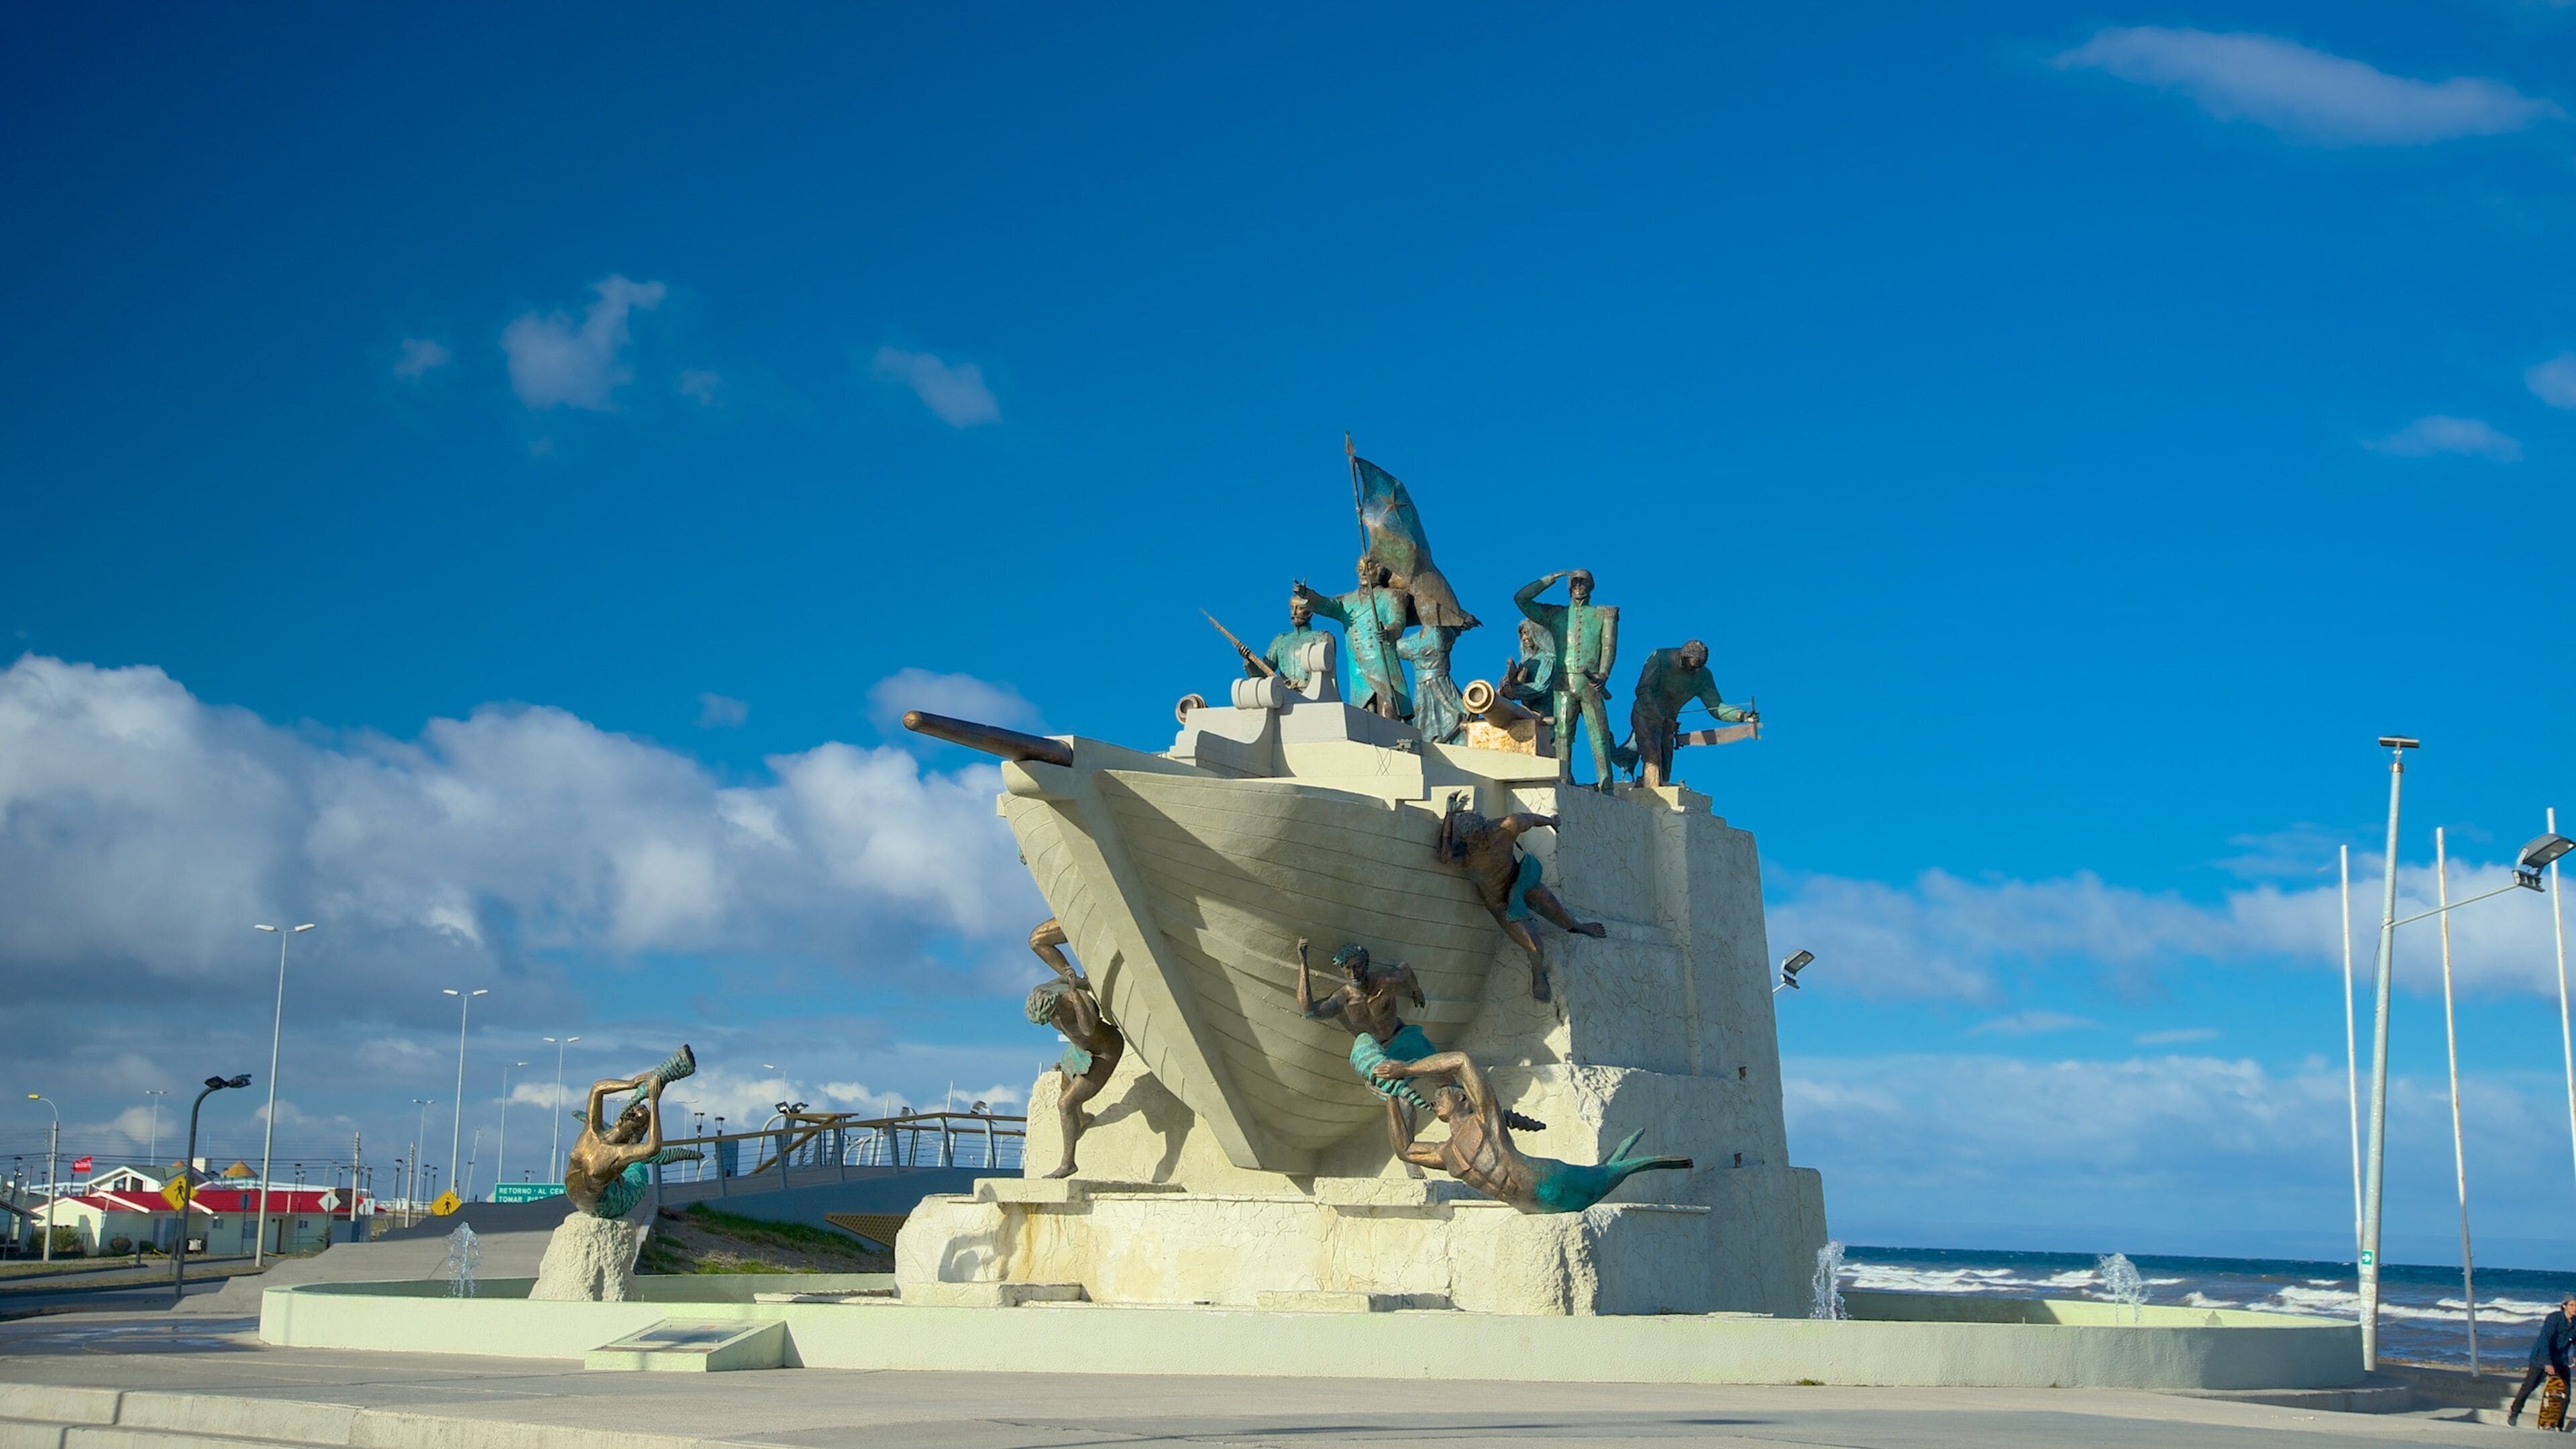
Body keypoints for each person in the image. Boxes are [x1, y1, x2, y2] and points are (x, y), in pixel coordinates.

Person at [1370, 1050, 1690, 1214]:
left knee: (1606, 1176)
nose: (1437, 1096)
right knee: (1607, 1173)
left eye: (1444, 1092)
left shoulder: (1485, 1118)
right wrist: (1389, 1101)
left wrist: (1407, 1069)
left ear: (1463, 1098)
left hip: (1550, 1182)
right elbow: (1405, 1150)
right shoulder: (1446, 1152)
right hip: (1529, 1206)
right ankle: (1620, 1164)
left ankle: (1634, 1164)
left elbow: (1461, 1061)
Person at [1435, 792, 1607, 1000]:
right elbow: (1445, 857)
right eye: (1474, 839)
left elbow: (1528, 819)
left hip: (1522, 881)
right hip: (1502, 904)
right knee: (1535, 948)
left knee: (1563, 916)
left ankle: (1578, 926)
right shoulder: (1468, 858)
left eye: (1481, 833)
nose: (1481, 840)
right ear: (1466, 840)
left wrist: (1551, 821)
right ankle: (1538, 975)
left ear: (1485, 827)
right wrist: (1449, 817)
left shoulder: (1503, 830)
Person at [1026, 917, 1125, 1179]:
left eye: (1051, 1016)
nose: (1051, 1022)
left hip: (1104, 1052)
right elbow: (1079, 984)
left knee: (1065, 1104)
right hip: (1078, 1052)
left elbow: (1089, 1030)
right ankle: (1081, 1120)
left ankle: (1068, 1163)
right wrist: (1072, 976)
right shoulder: (1044, 992)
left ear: (1058, 1004)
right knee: (1065, 1089)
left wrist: (1075, 993)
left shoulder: (1073, 1001)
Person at [1294, 938, 1435, 1114]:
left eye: (1358, 966)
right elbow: (1309, 1010)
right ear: (1342, 970)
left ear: (1366, 964)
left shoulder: (1385, 982)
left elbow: (1405, 971)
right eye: (1347, 967)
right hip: (1378, 1055)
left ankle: (1459, 1096)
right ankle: (1408, 1101)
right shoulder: (1343, 999)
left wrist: (1417, 990)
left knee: (1438, 1067)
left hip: (1402, 1037)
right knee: (1397, 1097)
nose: (1353, 973)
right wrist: (1303, 964)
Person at [563, 1044, 698, 1219]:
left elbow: (653, 1147)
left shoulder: (619, 1153)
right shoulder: (592, 1130)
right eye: (634, 1110)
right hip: (577, 1195)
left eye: (637, 1118)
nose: (631, 1113)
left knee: (638, 1166)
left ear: (635, 1134)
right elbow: (597, 1088)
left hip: (607, 1203)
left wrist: (654, 1102)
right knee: (635, 1162)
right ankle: (622, 1175)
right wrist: (631, 1083)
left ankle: (627, 1173)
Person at [1514, 568, 1619, 788]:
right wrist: (1549, 579)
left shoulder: (1603, 614)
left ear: (1592, 586)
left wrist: (1604, 673)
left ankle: (1606, 786)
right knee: (1562, 736)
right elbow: (1521, 599)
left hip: (1590, 684)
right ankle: (1562, 783)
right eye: (1574, 582)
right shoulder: (1556, 615)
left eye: (1583, 582)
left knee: (1599, 736)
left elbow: (1608, 646)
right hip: (1563, 685)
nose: (1578, 585)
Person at [1615, 640, 1755, 788]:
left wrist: (1742, 716)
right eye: (1694, 666)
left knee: (1664, 772)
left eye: (1700, 667)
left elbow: (1715, 706)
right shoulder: (1661, 658)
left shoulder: (1703, 676)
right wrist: (1660, 719)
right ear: (1684, 658)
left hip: (1669, 724)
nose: (1696, 671)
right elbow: (1643, 690)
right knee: (1653, 760)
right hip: (1646, 715)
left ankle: (1646, 790)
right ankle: (1647, 790)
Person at [1297, 558, 1411, 720]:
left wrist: (1389, 633)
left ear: (1380, 571)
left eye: (1368, 568)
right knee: (1364, 717)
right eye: (1360, 569)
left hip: (1382, 665)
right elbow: (1326, 604)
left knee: (1389, 714)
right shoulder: (1348, 602)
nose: (1363, 572)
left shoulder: (1391, 596)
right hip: (1358, 669)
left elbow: (1398, 622)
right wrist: (1307, 595)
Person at [2510, 1291, 2576, 1426]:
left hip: (2560, 1360)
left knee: (2565, 1394)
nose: (2575, 1308)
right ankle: (2514, 1413)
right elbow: (2545, 1341)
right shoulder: (2554, 1319)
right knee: (2528, 1387)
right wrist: (2547, 1363)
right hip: (2541, 1358)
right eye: (2572, 1305)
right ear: (2564, 1306)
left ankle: (2558, 1424)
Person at [1240, 595, 1330, 691]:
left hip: (1313, 696)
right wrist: (1249, 661)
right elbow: (1262, 674)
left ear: (1310, 613)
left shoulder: (1321, 637)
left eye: (1300, 608)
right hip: (1286, 696)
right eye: (1292, 608)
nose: (1294, 612)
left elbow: (1328, 678)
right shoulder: (1281, 640)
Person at [1398, 623, 1468, 745]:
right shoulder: (1411, 641)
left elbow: (1442, 630)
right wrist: (1387, 635)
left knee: (1454, 715)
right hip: (1422, 690)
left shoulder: (1443, 633)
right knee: (1423, 722)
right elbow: (1393, 646)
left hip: (1440, 684)